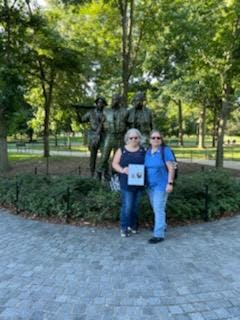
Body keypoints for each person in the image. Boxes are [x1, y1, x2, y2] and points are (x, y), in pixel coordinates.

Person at [112, 128, 145, 237]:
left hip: (139, 183)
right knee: (127, 206)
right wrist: (122, 170)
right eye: (131, 137)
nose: (133, 139)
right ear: (127, 138)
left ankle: (133, 225)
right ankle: (124, 227)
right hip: (126, 183)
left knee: (136, 206)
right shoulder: (122, 150)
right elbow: (114, 164)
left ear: (139, 138)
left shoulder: (143, 150)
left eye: (136, 137)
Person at [144, 130, 175, 244]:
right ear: (149, 140)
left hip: (161, 185)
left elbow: (171, 168)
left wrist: (170, 183)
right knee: (157, 208)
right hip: (149, 186)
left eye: (158, 138)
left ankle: (158, 234)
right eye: (153, 138)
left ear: (161, 140)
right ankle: (162, 225)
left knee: (158, 209)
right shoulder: (147, 152)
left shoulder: (165, 151)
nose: (156, 140)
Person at [97, 94, 129, 181]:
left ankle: (115, 177)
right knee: (104, 157)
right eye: (113, 99)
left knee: (117, 158)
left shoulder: (125, 111)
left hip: (120, 137)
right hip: (110, 136)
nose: (114, 101)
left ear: (119, 101)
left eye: (116, 99)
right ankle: (98, 176)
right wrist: (97, 134)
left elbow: (128, 125)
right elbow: (101, 124)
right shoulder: (106, 111)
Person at [74, 96, 107, 177]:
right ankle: (92, 173)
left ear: (104, 105)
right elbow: (81, 120)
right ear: (96, 103)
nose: (100, 104)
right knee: (93, 156)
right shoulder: (91, 113)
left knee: (104, 155)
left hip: (103, 136)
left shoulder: (106, 113)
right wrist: (77, 112)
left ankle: (103, 173)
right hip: (93, 136)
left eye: (102, 103)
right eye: (99, 102)